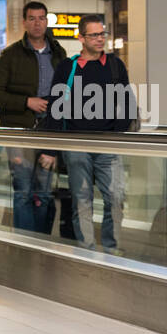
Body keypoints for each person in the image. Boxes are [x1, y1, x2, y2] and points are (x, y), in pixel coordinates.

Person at [46, 16, 134, 253]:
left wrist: (117, 134)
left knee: (115, 199)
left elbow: (127, 104)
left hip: (108, 145)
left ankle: (111, 249)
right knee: (82, 200)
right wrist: (49, 149)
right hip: (77, 145)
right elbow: (56, 107)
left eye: (102, 34)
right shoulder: (68, 67)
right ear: (81, 37)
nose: (99, 39)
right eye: (94, 35)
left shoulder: (115, 65)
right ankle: (87, 250)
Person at [0, 0, 67, 234]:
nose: (37, 23)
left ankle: (40, 242)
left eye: (41, 18)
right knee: (22, 190)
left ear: (47, 21)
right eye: (32, 18)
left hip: (48, 130)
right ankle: (25, 244)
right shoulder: (10, 55)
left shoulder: (58, 53)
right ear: (24, 22)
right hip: (19, 132)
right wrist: (27, 102)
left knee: (44, 191)